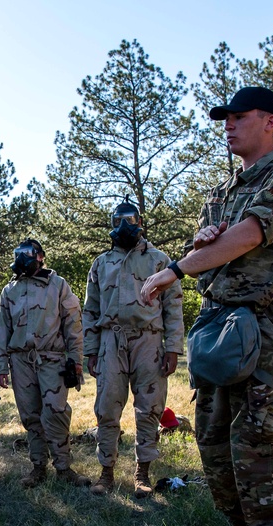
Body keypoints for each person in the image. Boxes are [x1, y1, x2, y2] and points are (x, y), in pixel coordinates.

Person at [140, 86, 273, 526]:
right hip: (220, 325)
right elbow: (217, 245)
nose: (227, 124)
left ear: (269, 121)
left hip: (267, 327)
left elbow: (246, 237)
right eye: (223, 117)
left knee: (259, 440)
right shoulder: (222, 192)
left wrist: (172, 270)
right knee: (214, 438)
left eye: (238, 116)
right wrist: (202, 245)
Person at [83, 198, 184, 498]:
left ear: (141, 223)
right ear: (111, 225)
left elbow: (173, 307)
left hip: (149, 340)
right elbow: (90, 310)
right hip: (111, 341)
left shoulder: (159, 260)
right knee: (107, 407)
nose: (125, 227)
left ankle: (143, 473)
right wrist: (91, 350)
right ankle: (107, 472)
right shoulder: (101, 263)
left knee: (150, 407)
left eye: (131, 221)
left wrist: (173, 348)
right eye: (118, 222)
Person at [0, 239, 90, 488]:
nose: (22, 258)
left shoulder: (57, 284)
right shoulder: (9, 290)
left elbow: (73, 323)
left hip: (52, 359)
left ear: (40, 257)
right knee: (31, 415)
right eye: (19, 253)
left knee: (56, 412)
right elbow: (2, 329)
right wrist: (0, 366)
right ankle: (38, 467)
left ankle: (64, 467)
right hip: (20, 360)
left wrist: (76, 359)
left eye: (28, 254)